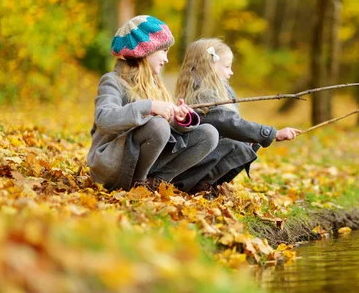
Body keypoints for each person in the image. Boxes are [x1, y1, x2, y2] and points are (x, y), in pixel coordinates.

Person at [87, 15, 219, 192]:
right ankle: (138, 183)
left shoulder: (155, 84)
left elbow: (163, 132)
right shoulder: (112, 81)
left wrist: (178, 119)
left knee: (209, 133)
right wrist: (149, 107)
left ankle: (156, 181)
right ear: (145, 50)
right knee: (158, 126)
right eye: (164, 51)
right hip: (113, 164)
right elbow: (104, 119)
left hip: (142, 160)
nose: (167, 59)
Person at [173, 37, 301, 194]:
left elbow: (231, 124)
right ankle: (198, 186)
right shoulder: (203, 96)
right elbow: (228, 122)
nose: (231, 72)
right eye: (227, 66)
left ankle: (210, 185)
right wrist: (272, 133)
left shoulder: (215, 92)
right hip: (188, 163)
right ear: (210, 67)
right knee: (236, 145)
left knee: (246, 143)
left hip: (197, 158)